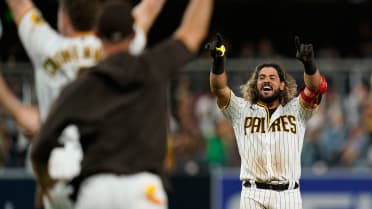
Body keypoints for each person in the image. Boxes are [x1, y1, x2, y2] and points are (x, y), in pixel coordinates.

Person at [31, 0, 213, 208]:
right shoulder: (153, 66)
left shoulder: (82, 85)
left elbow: (41, 146)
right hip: (143, 188)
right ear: (133, 35)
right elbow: (192, 33)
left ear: (97, 35)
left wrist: (45, 181)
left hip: (95, 190)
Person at [206, 34, 327, 209]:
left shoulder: (297, 109)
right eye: (262, 78)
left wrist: (310, 65)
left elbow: (315, 87)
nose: (266, 80)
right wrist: (218, 62)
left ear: (282, 85)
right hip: (253, 194)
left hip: (288, 195)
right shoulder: (241, 110)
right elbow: (219, 88)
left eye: (272, 77)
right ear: (256, 85)